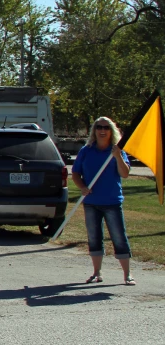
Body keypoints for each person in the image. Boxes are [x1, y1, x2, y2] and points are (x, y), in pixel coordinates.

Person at [71, 116, 135, 285]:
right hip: (91, 202)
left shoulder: (117, 150)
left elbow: (125, 173)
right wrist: (82, 187)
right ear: (94, 130)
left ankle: (127, 274)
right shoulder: (86, 150)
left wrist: (118, 156)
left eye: (106, 128)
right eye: (99, 127)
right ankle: (96, 273)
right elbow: (76, 173)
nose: (102, 130)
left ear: (111, 131)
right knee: (94, 238)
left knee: (119, 237)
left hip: (112, 201)